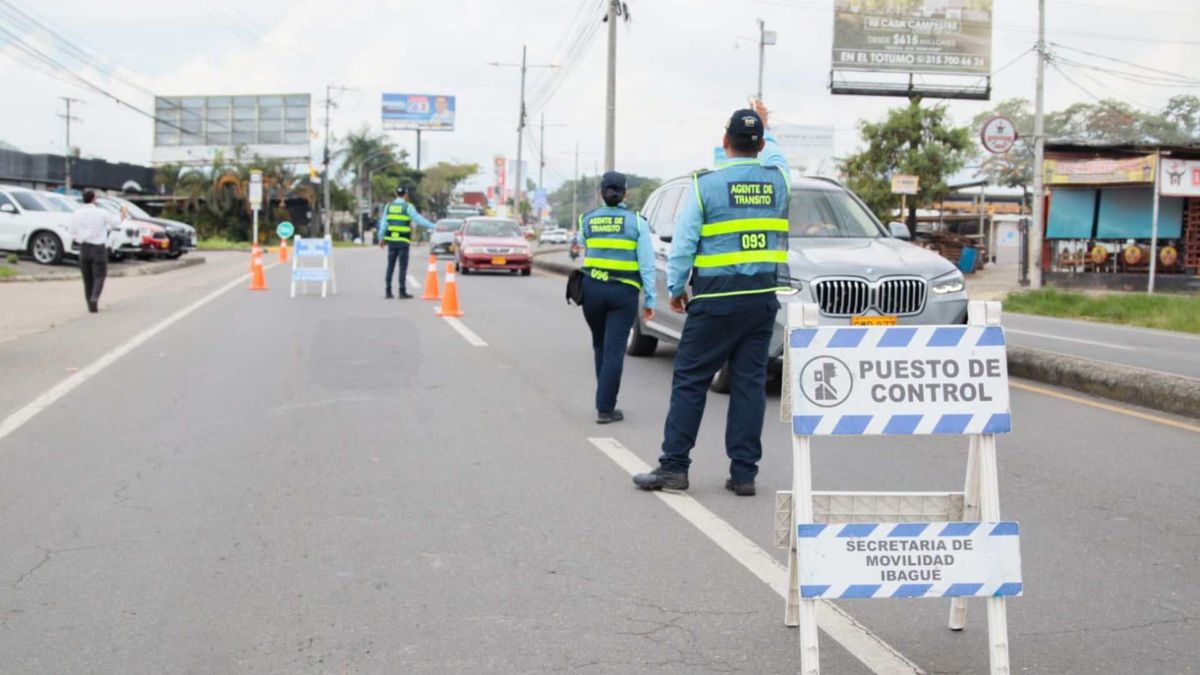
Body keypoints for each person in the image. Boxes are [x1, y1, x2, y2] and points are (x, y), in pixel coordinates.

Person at [633, 100, 790, 496]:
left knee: (690, 379)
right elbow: (777, 157)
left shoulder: (706, 186)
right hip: (761, 299)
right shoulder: (779, 181)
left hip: (717, 299)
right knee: (749, 385)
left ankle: (674, 467)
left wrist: (675, 289)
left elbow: (683, 245)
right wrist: (766, 129)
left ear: (725, 142)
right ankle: (744, 474)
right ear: (758, 145)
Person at [579, 171, 656, 424]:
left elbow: (583, 245)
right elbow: (646, 265)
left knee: (600, 346)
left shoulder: (586, 220)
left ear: (601, 193)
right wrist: (651, 300)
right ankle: (605, 407)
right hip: (623, 293)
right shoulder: (637, 222)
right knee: (614, 350)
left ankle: (604, 399)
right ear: (626, 193)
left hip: (592, 290)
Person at [68, 189, 126, 313]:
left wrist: (81, 238)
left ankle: (90, 304)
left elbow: (72, 233)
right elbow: (115, 222)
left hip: (83, 248)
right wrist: (122, 214)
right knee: (99, 276)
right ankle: (95, 298)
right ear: (94, 199)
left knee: (87, 278)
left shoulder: (76, 214)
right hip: (98, 248)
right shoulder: (101, 212)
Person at [378, 186, 435, 298]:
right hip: (403, 241)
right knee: (402, 267)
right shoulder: (408, 207)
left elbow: (384, 224)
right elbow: (418, 220)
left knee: (390, 266)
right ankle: (402, 291)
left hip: (392, 242)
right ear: (406, 195)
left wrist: (381, 238)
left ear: (396, 194)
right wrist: (433, 226)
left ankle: (388, 291)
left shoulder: (388, 207)